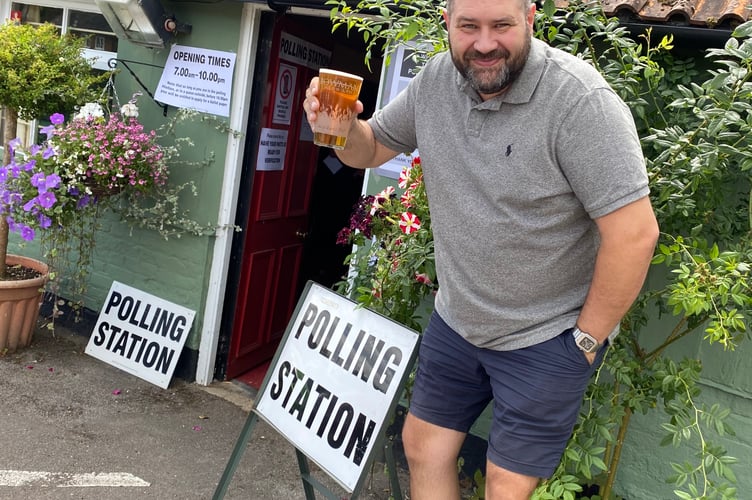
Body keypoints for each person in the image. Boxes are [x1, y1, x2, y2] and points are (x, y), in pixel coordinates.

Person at [303, 0, 659, 497]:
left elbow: (635, 234)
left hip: (546, 334)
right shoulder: (434, 82)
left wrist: (584, 342)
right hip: (458, 321)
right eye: (469, 26)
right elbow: (371, 148)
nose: (485, 43)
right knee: (423, 447)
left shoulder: (579, 102)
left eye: (502, 26)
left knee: (505, 485)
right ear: (447, 24)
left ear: (530, 19)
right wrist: (341, 129)